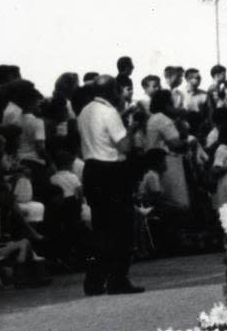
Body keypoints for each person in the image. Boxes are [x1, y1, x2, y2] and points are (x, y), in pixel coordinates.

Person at [78, 75, 143, 295]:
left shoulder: (85, 111)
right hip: (112, 171)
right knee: (122, 227)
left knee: (101, 228)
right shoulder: (110, 112)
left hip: (92, 169)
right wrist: (132, 128)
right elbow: (124, 146)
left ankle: (94, 281)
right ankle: (118, 279)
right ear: (111, 91)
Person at [144, 89, 192, 213]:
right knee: (177, 201)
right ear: (166, 104)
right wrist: (189, 142)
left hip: (156, 161)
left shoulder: (154, 118)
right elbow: (176, 144)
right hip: (167, 161)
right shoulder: (163, 120)